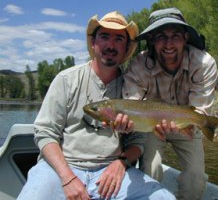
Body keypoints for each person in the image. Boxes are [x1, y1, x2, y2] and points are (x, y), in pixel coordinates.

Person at [17, 11, 176, 200]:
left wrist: (121, 163)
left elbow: (137, 143)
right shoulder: (66, 80)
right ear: (93, 42)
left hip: (111, 171)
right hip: (61, 168)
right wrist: (68, 178)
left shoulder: (133, 87)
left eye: (118, 39)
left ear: (126, 48)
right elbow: (45, 133)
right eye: (104, 37)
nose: (110, 45)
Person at [122, 7, 218, 200]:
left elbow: (199, 109)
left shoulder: (204, 64)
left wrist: (188, 123)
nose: (168, 44)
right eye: (160, 36)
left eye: (175, 36)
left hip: (187, 123)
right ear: (151, 40)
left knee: (196, 178)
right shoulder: (139, 65)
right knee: (151, 168)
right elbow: (131, 106)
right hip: (150, 126)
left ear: (185, 38)